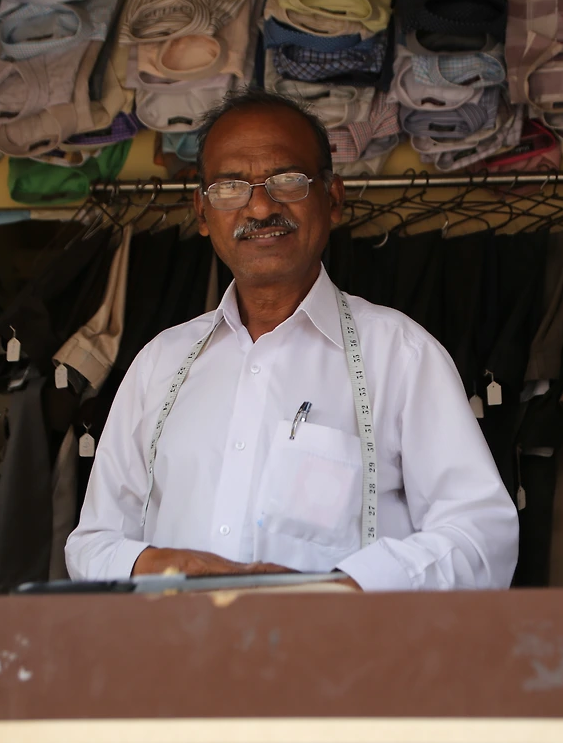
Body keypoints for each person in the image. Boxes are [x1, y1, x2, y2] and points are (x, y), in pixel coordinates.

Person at [65, 88, 518, 590]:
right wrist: (159, 566)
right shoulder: (160, 364)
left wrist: (345, 590)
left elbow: (482, 535)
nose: (260, 208)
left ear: (333, 198)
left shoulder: (401, 356)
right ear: (202, 212)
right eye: (230, 186)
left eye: (287, 181)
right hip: (182, 640)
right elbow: (92, 544)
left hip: (337, 641)